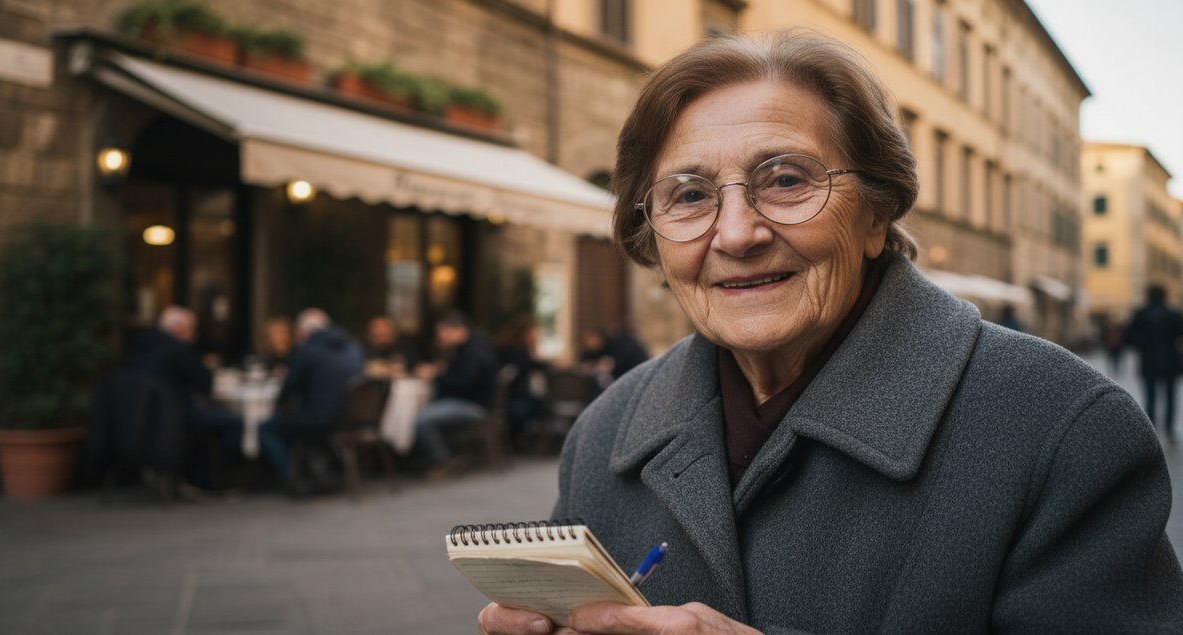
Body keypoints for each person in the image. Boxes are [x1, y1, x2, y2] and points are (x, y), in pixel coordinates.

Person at [480, 31, 1183, 633]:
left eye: (785, 179)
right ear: (653, 234)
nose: (737, 233)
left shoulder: (1061, 428)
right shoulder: (605, 432)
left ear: (876, 215)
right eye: (689, 195)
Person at [124, 306, 243, 488]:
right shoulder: (179, 348)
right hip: (175, 416)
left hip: (138, 417)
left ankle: (186, 473)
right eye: (191, 328)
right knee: (235, 421)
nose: (194, 333)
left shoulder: (138, 346)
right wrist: (204, 364)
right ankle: (208, 478)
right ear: (179, 329)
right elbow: (205, 383)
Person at [257, 308, 364, 493]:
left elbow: (288, 391)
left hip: (322, 420)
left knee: (267, 427)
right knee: (299, 418)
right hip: (351, 420)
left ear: (303, 332)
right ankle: (319, 470)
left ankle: (291, 476)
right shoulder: (353, 346)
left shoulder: (307, 350)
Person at [412, 311, 499, 478]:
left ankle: (443, 460)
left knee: (422, 418)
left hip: (473, 405)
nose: (441, 337)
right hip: (473, 401)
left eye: (443, 332)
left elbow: (461, 384)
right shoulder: (471, 347)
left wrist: (436, 376)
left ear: (458, 330)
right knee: (426, 410)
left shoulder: (473, 353)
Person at [1124, 285, 1183, 442]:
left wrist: (1144, 344)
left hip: (1148, 361)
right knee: (1170, 397)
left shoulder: (1140, 315)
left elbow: (1129, 337)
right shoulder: (1173, 315)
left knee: (1150, 397)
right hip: (1171, 362)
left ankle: (1151, 431)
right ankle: (1169, 431)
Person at [496, 316, 550, 447]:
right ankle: (538, 441)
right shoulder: (519, 349)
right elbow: (532, 365)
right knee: (544, 405)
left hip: (511, 393)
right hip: (514, 394)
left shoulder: (508, 346)